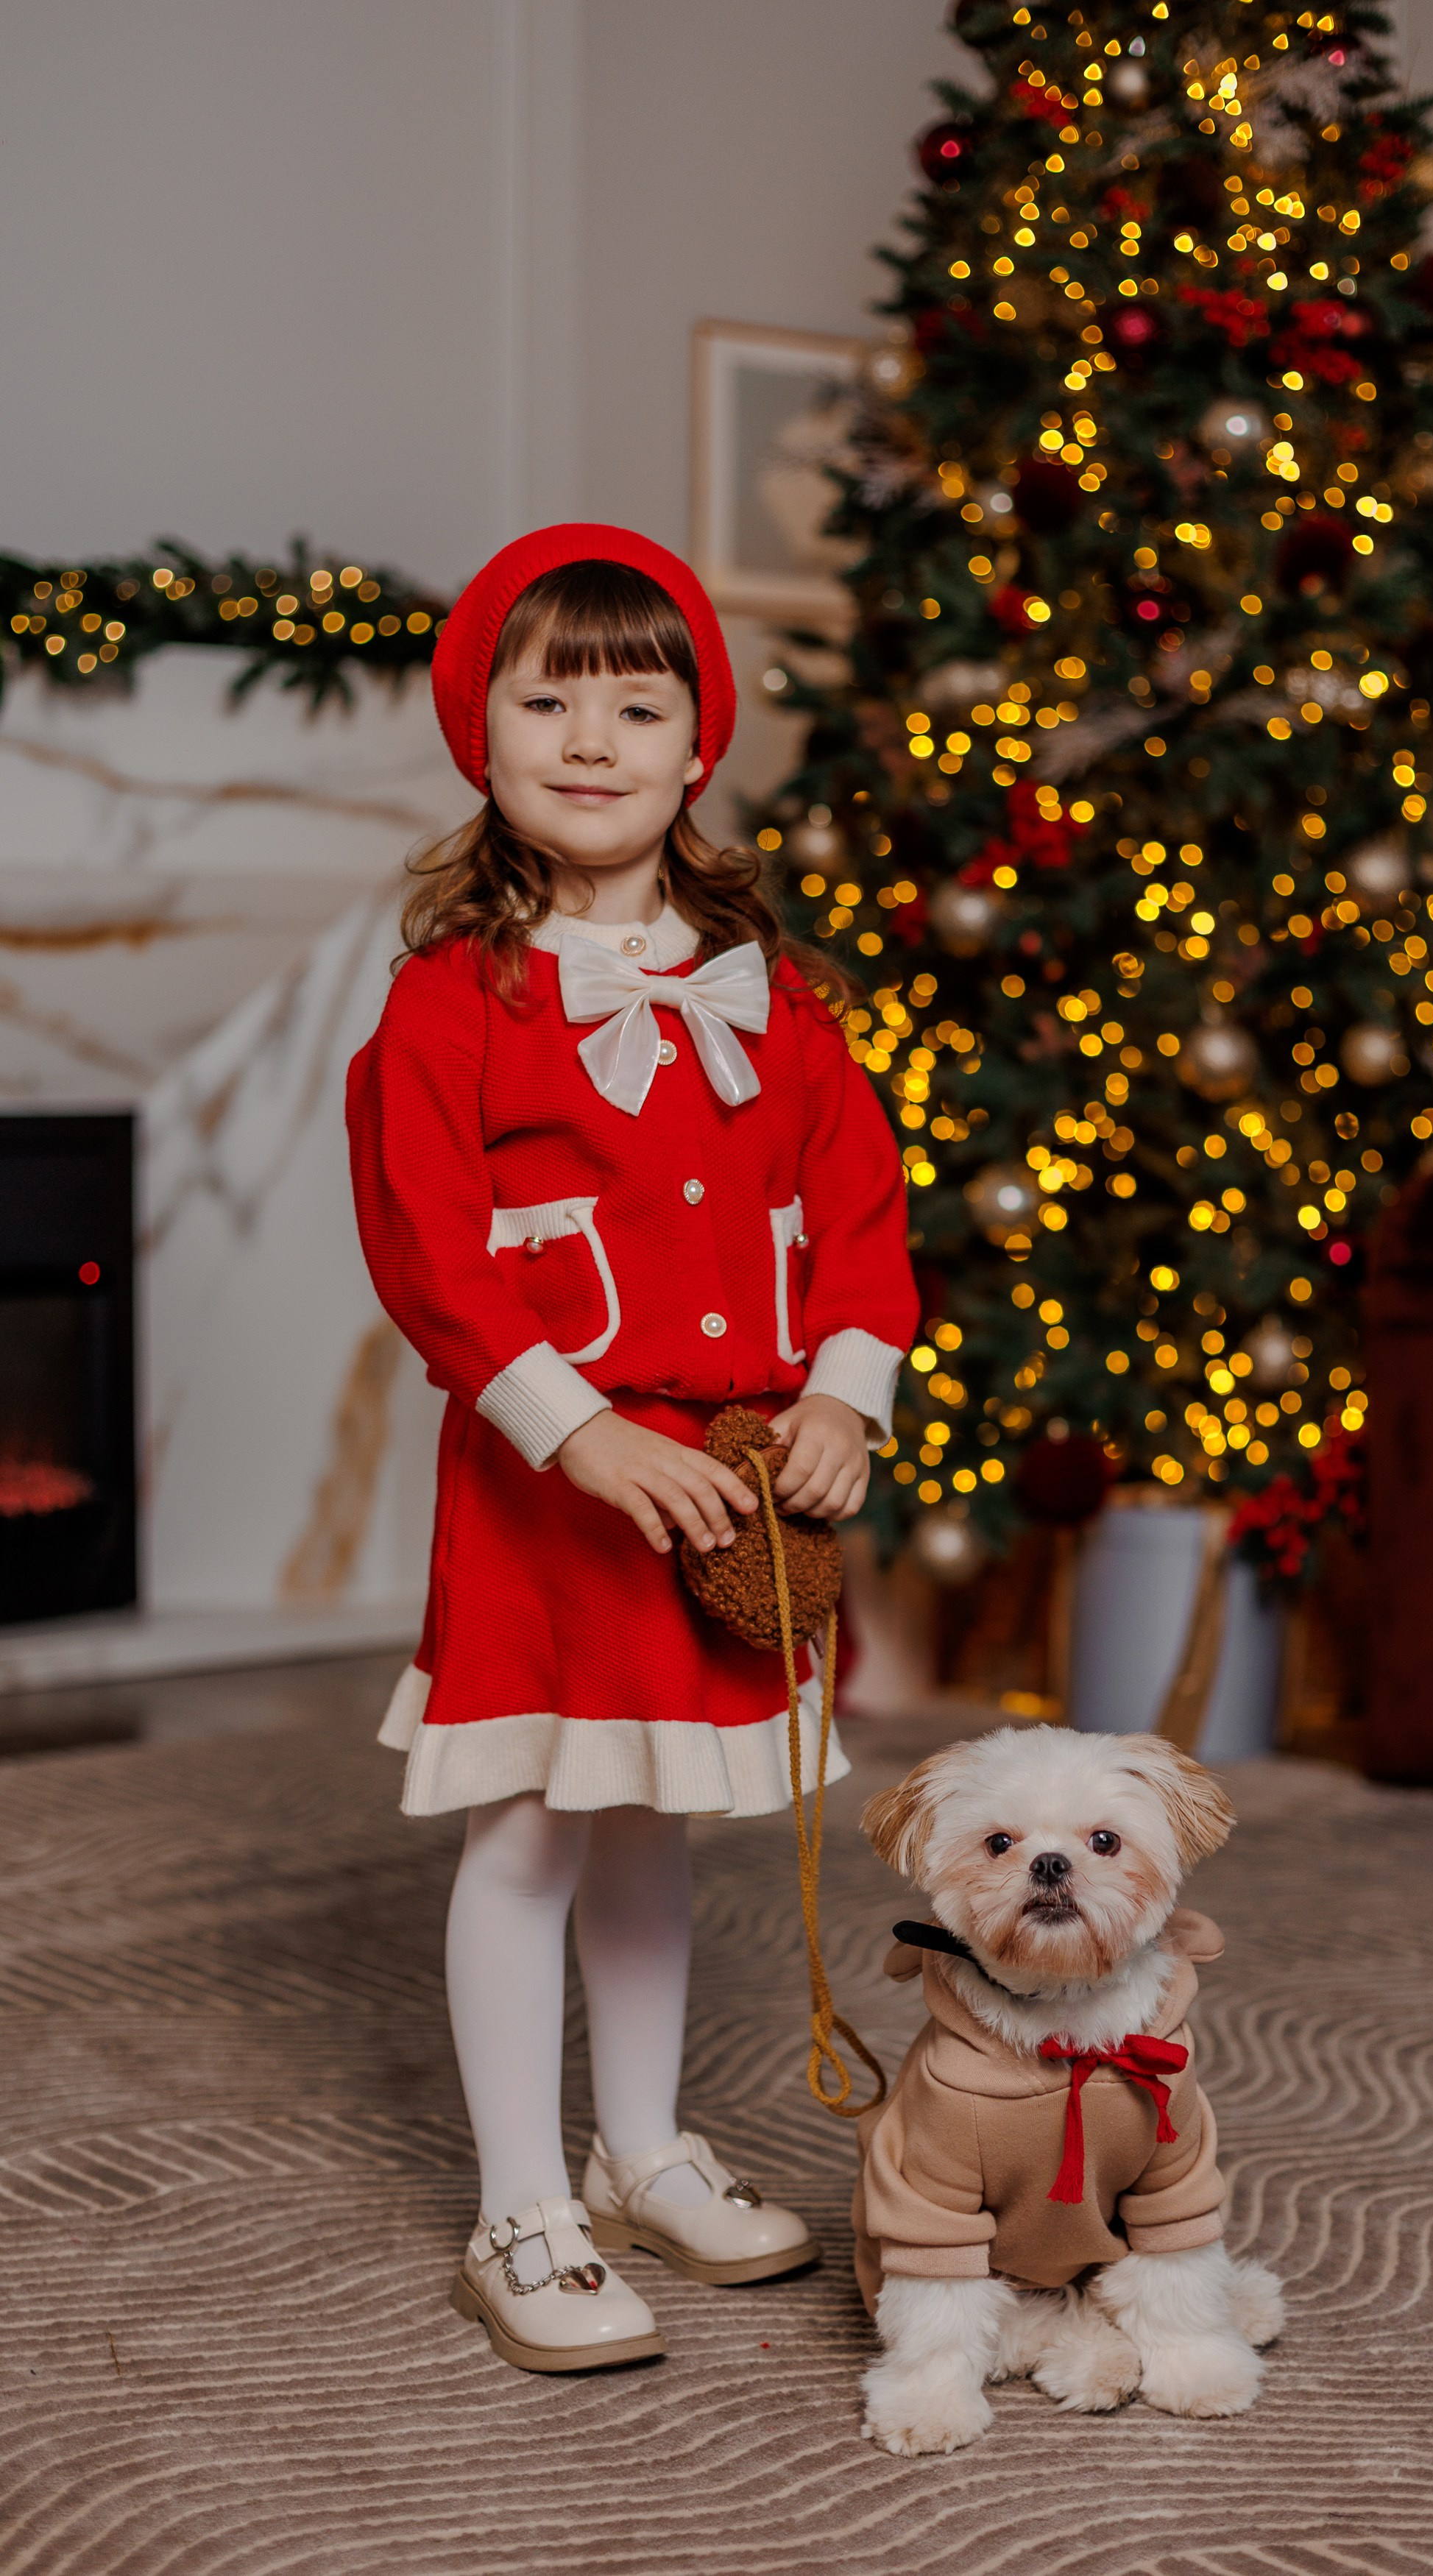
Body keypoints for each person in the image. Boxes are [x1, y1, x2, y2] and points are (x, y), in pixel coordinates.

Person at [347, 525, 916, 2373]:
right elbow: (430, 1249)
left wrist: (842, 1391)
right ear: (483, 736)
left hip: (727, 1469)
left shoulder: (785, 995)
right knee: (528, 1824)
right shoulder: (450, 1000)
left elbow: (863, 1217)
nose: (592, 737)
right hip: (553, 1489)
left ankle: (640, 2144)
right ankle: (521, 2207)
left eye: (638, 701)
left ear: (696, 751)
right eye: (547, 696)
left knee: (650, 1820)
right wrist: (574, 1434)